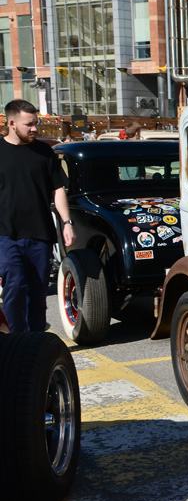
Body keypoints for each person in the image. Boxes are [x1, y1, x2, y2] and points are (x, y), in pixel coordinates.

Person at [0, 100, 76, 332]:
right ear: (11, 123)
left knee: (37, 291)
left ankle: (35, 341)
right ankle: (15, 340)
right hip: (5, 234)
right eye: (29, 124)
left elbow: (58, 189)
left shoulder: (44, 152)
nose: (35, 128)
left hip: (40, 234)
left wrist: (67, 222)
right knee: (15, 283)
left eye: (36, 123)